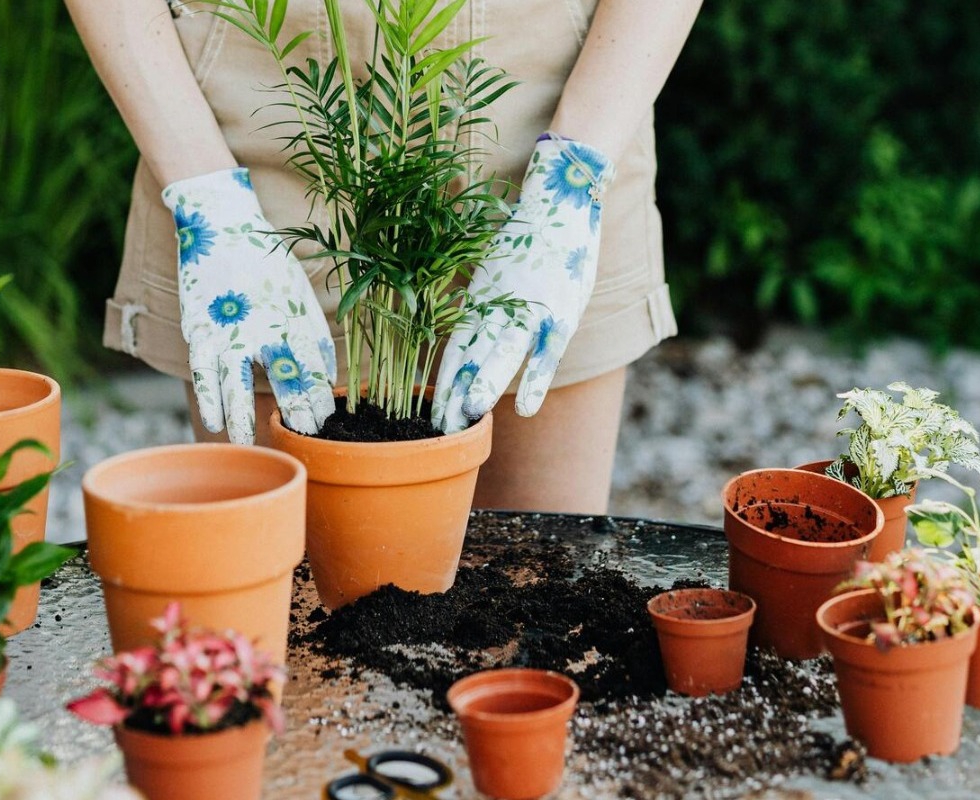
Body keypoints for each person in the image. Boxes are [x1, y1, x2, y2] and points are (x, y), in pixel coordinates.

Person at [64, 0, 703, 514]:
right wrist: (207, 198)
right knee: (291, 609)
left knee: (538, 595)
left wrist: (572, 178)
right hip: (253, 120)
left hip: (552, 107)